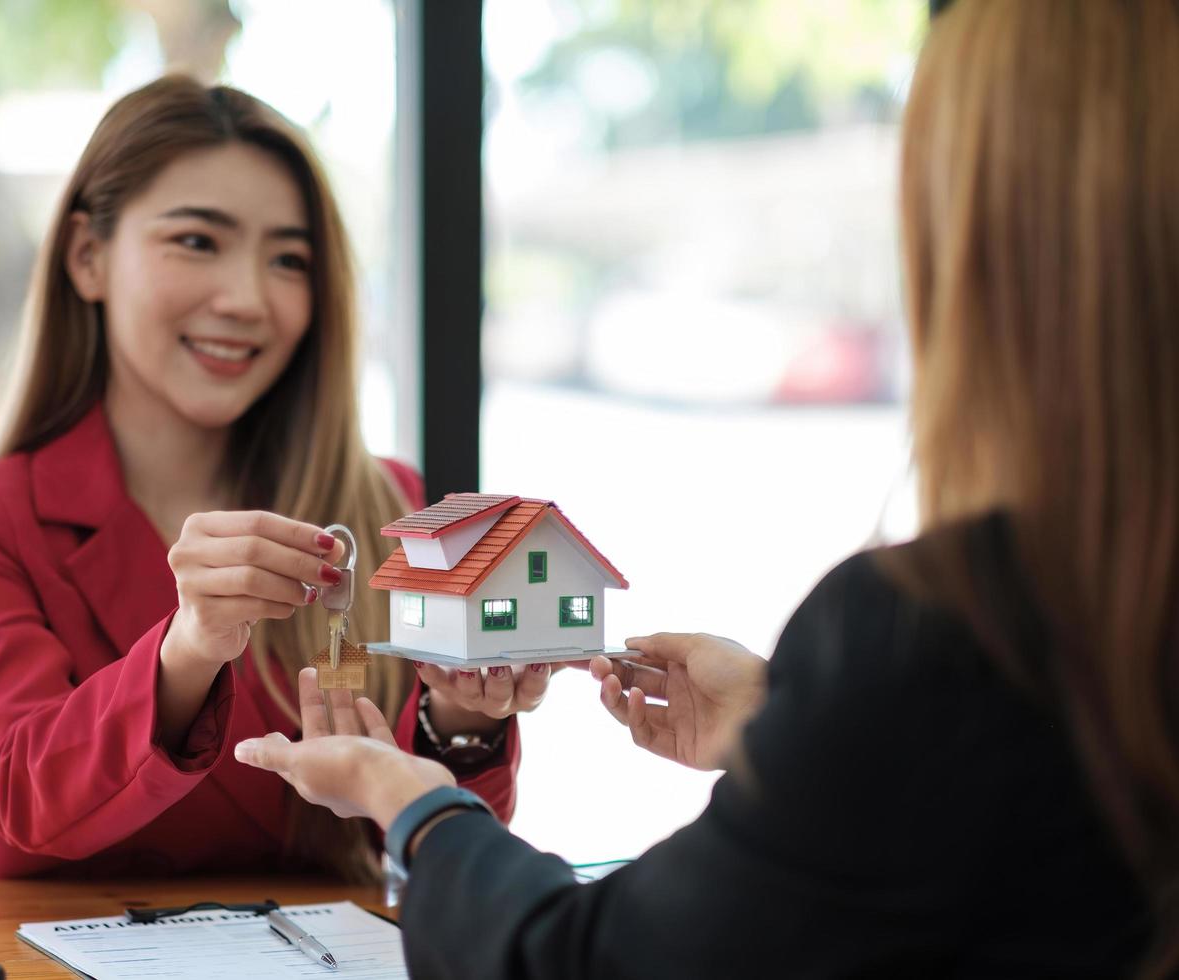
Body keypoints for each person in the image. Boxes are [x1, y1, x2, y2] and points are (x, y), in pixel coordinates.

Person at [234, 1, 1176, 974]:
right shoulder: (1054, 628)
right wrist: (792, 733)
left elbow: (588, 961)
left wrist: (416, 803)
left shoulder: (938, 634)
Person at [0, 76, 552, 882]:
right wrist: (187, 652)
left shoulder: (386, 500)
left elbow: (437, 844)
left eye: (289, 260)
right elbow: (25, 793)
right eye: (197, 241)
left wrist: (461, 716)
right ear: (87, 257)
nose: (248, 300)